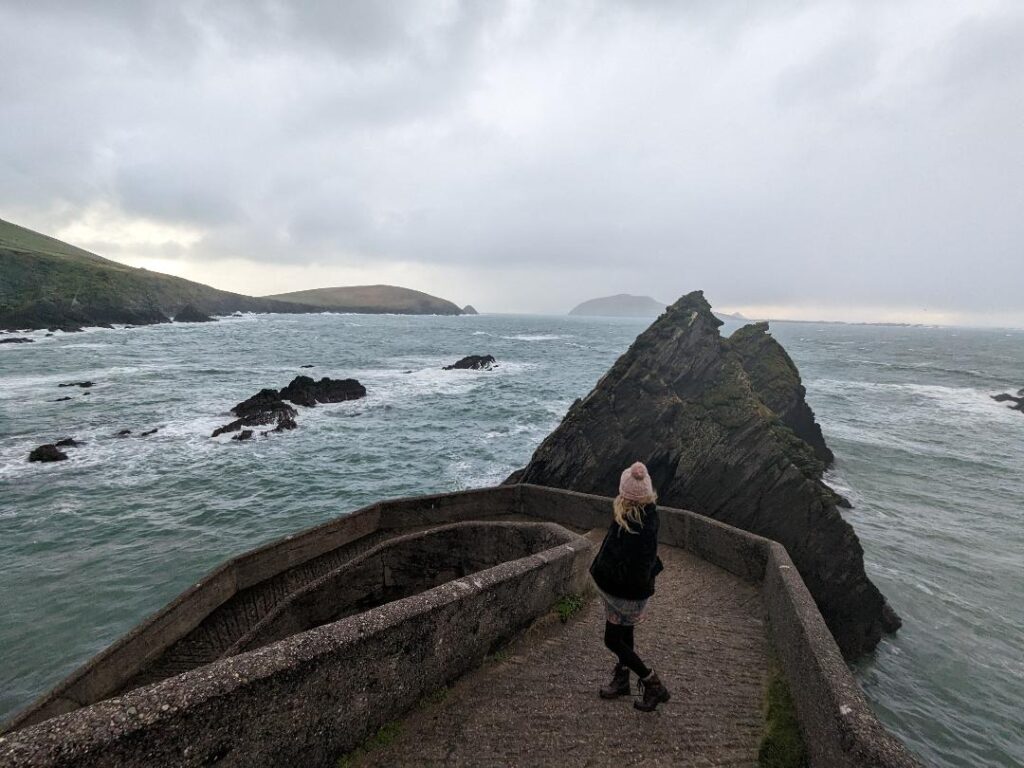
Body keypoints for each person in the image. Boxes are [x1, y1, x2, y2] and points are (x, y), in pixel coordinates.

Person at [589, 461, 670, 712]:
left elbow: (636, 566)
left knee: (612, 639)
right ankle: (623, 678)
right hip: (629, 593)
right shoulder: (645, 515)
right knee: (626, 634)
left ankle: (651, 682)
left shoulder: (636, 524)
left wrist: (611, 577)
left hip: (625, 594)